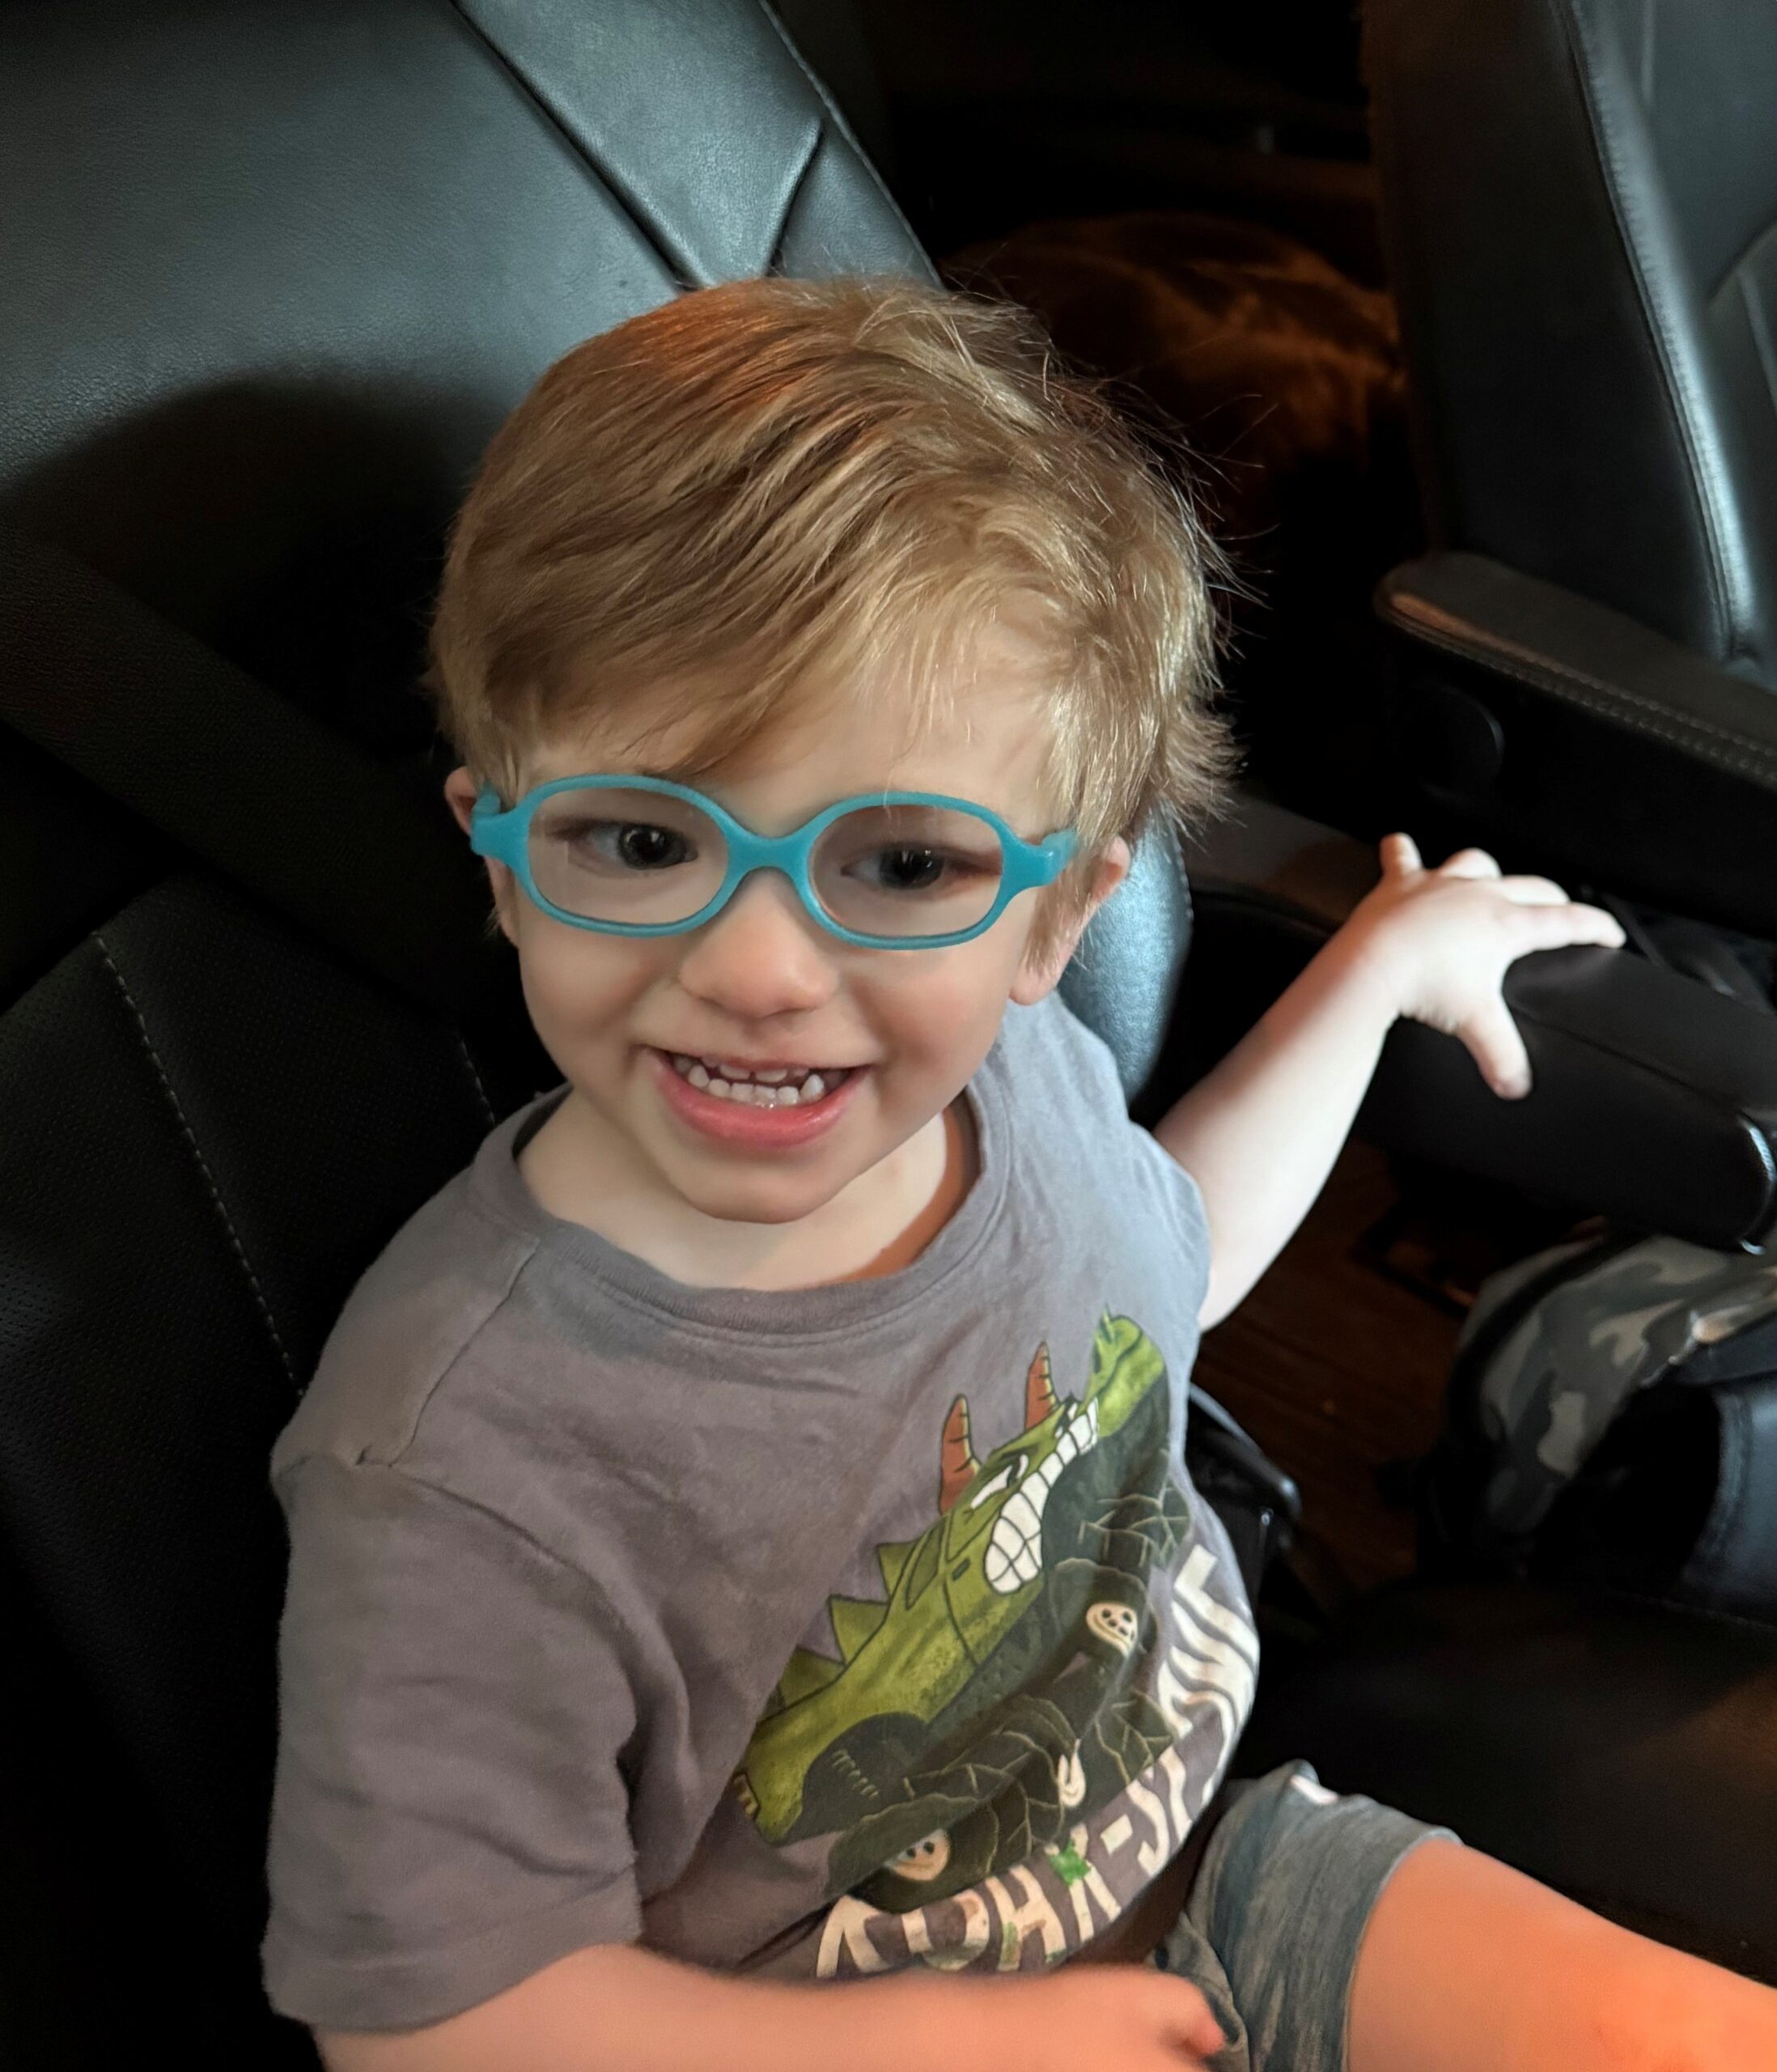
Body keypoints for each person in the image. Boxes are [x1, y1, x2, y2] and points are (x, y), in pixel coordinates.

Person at [261, 274, 1777, 2072]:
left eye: (903, 866)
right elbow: (434, 2024)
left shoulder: (1020, 1082)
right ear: (505, 863)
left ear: (1060, 915)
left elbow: (1161, 1259)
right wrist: (940, 2048)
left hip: (1220, 1866)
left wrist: (1368, 980)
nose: (758, 967)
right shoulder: (463, 1466)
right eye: (644, 841)